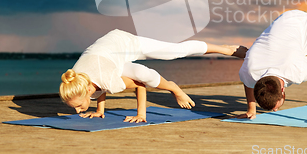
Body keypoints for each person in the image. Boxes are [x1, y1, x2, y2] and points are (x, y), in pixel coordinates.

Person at [59, 29, 246, 123]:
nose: (77, 110)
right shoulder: (77, 79)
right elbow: (99, 87)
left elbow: (140, 84)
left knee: (173, 53)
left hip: (127, 44)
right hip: (110, 56)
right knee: (123, 74)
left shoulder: (103, 78)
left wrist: (141, 114)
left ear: (87, 90)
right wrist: (100, 111)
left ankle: (226, 50)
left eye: (78, 106)